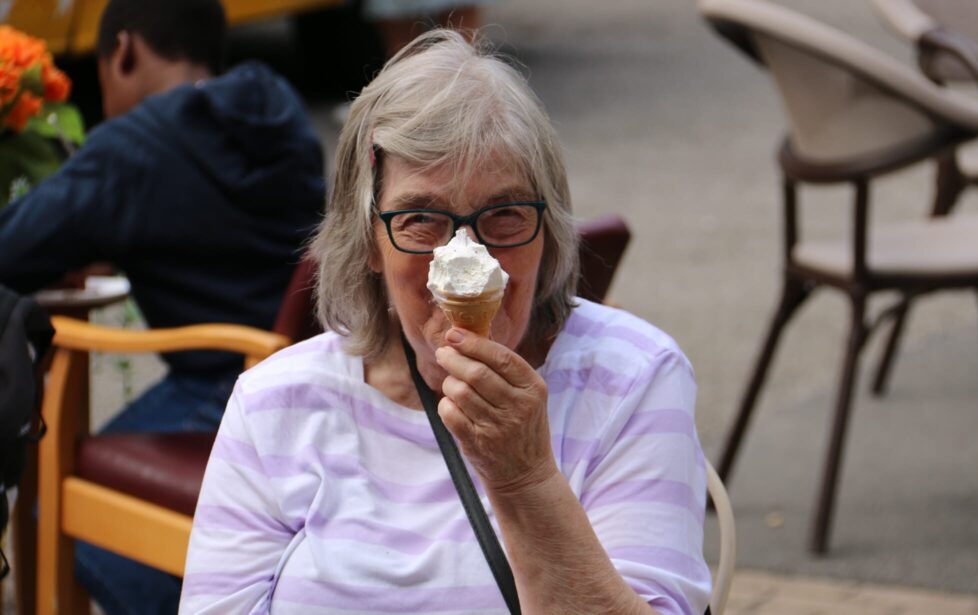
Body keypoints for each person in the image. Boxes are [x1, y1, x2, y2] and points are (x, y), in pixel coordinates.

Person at [181, 30, 711, 614]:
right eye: (420, 219)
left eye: (504, 215)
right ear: (368, 243)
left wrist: (526, 480)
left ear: (550, 230)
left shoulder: (633, 380)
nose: (467, 256)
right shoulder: (273, 405)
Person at [0, 0, 325, 611]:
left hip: (218, 389)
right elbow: (208, 225)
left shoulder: (132, 149)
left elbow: (11, 248)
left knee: (51, 496)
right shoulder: (277, 106)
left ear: (122, 51)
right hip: (313, 371)